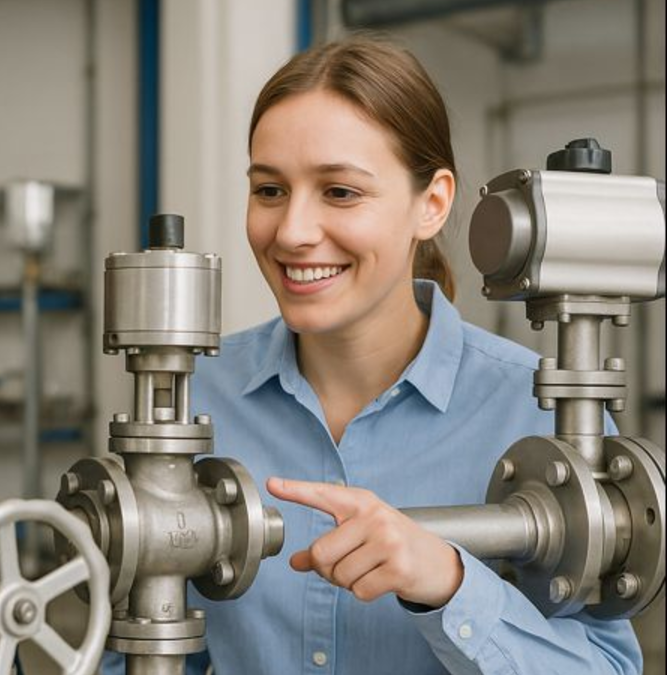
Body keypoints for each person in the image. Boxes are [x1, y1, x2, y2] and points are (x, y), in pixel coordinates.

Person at [179, 37, 642, 673]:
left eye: (340, 192)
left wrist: (453, 584)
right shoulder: (197, 393)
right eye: (269, 190)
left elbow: (609, 668)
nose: (291, 232)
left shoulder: (535, 411)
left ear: (432, 203)